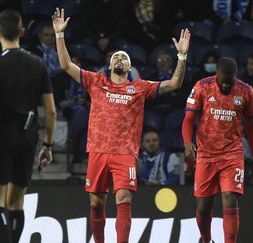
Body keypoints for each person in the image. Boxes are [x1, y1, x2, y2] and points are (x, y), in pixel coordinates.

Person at [52, 8, 190, 243]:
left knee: (124, 198)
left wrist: (182, 57)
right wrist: (59, 35)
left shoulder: (139, 87)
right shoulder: (96, 82)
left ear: (129, 68)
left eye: (124, 58)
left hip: (125, 154)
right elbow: (66, 65)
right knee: (96, 203)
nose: (119, 59)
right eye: (115, 56)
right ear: (109, 64)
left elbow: (175, 83)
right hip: (98, 150)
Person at [0, 10, 56, 243]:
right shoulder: (37, 64)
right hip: (28, 134)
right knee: (16, 202)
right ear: (22, 32)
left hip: (1, 133)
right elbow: (51, 110)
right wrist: (48, 144)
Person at [182, 57, 253, 243]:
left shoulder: (246, 91)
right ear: (216, 74)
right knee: (203, 207)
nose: (225, 86)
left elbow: (252, 126)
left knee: (230, 199)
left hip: (232, 154)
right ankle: (206, 239)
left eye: (229, 82)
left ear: (236, 77)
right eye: (222, 82)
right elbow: (188, 119)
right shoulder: (202, 86)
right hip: (206, 154)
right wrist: (187, 142)